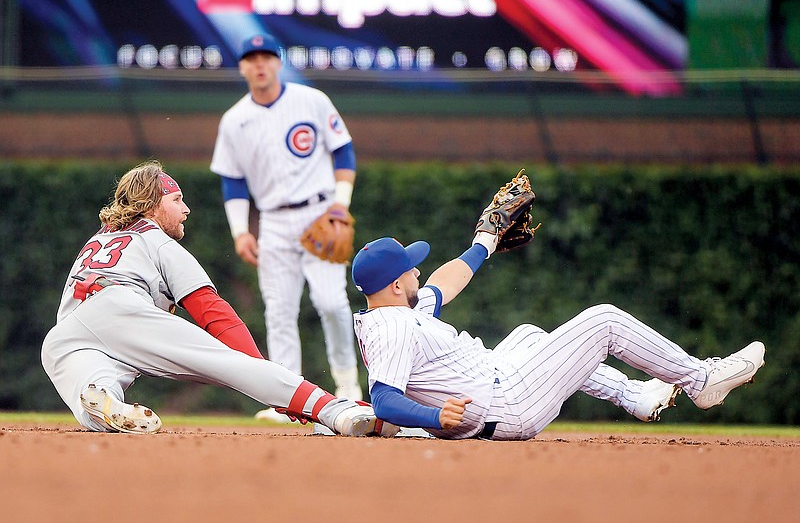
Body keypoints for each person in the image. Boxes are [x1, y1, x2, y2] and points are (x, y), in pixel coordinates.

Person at [41, 161, 397, 437]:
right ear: (151, 205)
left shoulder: (97, 240)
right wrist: (263, 372)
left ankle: (102, 399)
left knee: (95, 402)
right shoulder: (155, 239)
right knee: (232, 365)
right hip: (120, 310)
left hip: (64, 337)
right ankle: (338, 411)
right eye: (177, 199)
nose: (186, 209)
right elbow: (213, 313)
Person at [350, 235, 766, 440]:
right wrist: (433, 417)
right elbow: (384, 397)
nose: (417, 271)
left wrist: (485, 242)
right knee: (604, 321)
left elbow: (444, 282)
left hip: (496, 384)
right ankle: (700, 381)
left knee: (528, 336)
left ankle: (634, 396)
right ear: (393, 284)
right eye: (409, 268)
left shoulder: (398, 310)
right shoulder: (393, 326)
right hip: (505, 404)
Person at [209, 33, 362, 421]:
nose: (259, 64)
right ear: (242, 66)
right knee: (279, 310)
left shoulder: (310, 100)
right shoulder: (234, 120)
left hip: (319, 212)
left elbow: (343, 150)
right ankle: (289, 397)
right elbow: (233, 180)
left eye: (266, 57)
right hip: (273, 220)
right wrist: (240, 231)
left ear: (278, 63)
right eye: (251, 58)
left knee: (331, 302)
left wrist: (340, 206)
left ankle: (348, 387)